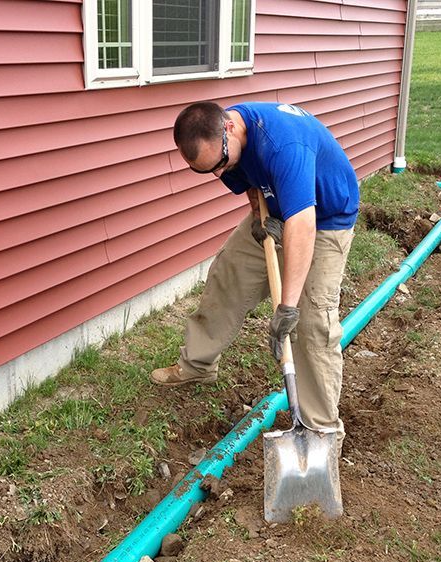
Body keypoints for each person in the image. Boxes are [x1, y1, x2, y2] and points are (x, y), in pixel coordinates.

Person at [150, 101, 359, 435]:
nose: (218, 173)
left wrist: (287, 308)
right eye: (206, 171)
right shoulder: (223, 139)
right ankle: (198, 364)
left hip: (323, 220)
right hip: (276, 214)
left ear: (230, 128)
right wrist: (260, 213)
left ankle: (321, 429)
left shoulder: (283, 144)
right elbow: (246, 178)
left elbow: (303, 225)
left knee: (313, 322)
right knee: (226, 274)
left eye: (219, 163)